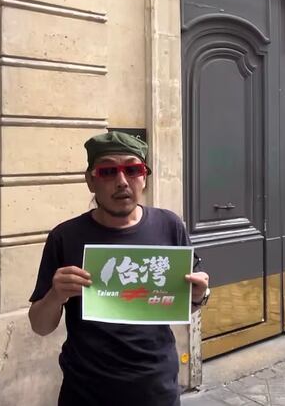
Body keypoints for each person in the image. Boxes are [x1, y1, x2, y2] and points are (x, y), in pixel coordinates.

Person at [28, 131, 210, 406]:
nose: (122, 181)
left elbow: (185, 304)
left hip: (156, 389)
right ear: (90, 180)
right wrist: (56, 295)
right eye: (108, 171)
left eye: (132, 169)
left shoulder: (170, 226)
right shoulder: (65, 237)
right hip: (86, 392)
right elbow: (40, 326)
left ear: (144, 176)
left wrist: (198, 296)